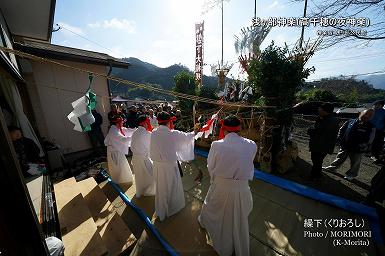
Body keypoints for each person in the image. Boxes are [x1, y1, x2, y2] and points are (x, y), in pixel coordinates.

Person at [198, 115, 257, 256]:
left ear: (223, 129)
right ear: (240, 129)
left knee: (217, 215)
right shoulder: (251, 144)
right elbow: (248, 163)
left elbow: (210, 166)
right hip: (242, 190)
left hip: (221, 187)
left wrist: (214, 180)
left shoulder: (217, 145)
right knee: (238, 219)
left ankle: (222, 243)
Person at [150, 111, 199, 221]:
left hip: (157, 166)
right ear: (169, 122)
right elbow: (188, 137)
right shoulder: (173, 133)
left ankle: (162, 209)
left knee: (161, 187)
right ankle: (172, 208)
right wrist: (195, 130)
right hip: (169, 166)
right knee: (171, 186)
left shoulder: (153, 132)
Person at [323, 109, 376, 180]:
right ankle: (332, 168)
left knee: (355, 162)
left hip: (358, 148)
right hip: (346, 144)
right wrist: (340, 139)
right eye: (366, 113)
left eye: (370, 115)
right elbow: (342, 130)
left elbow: (371, 138)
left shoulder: (371, 126)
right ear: (361, 113)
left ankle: (351, 174)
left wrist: (364, 146)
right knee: (340, 157)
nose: (367, 116)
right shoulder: (350, 121)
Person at [307, 103, 340, 179]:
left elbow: (317, 131)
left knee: (316, 161)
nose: (318, 109)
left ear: (325, 110)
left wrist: (310, 130)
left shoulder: (326, 121)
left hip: (320, 146)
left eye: (320, 108)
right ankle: (317, 174)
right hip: (325, 146)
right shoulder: (331, 119)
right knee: (318, 161)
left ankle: (314, 176)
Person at [104, 115, 134, 184]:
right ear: (117, 123)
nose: (122, 123)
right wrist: (133, 136)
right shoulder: (113, 131)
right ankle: (120, 180)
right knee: (118, 166)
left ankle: (123, 178)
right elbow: (123, 139)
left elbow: (127, 130)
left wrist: (136, 130)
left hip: (117, 150)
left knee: (121, 164)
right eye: (121, 122)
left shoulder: (116, 128)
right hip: (114, 151)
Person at [131, 115, 155, 197]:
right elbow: (152, 146)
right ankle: (149, 190)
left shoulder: (135, 132)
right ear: (144, 123)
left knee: (139, 176)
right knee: (151, 174)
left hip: (135, 158)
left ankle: (140, 191)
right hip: (143, 158)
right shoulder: (146, 133)